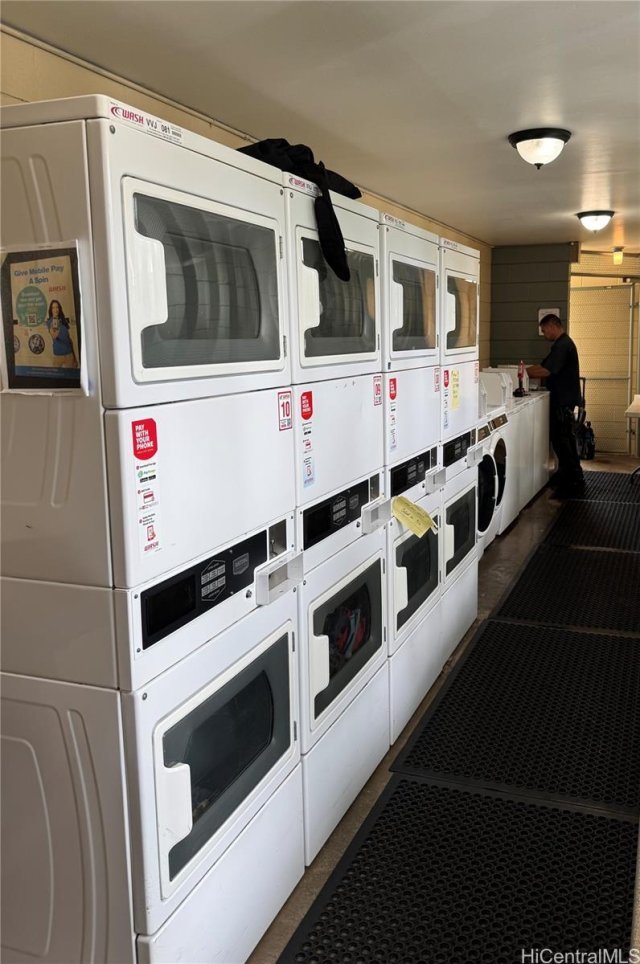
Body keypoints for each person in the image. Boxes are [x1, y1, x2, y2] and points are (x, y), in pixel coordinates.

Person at [527, 313, 584, 497]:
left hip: (563, 402)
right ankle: (568, 476)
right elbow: (544, 367)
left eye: (545, 331)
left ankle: (574, 480)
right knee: (563, 441)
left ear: (553, 326)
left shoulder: (562, 345)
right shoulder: (562, 344)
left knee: (564, 442)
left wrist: (521, 373)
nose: (544, 335)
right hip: (563, 401)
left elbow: (546, 370)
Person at [46, 299, 78, 368]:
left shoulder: (63, 321)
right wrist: (55, 320)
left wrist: (74, 357)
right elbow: (54, 336)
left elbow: (69, 340)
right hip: (58, 356)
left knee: (70, 374)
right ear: (51, 310)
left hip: (69, 355)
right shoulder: (50, 322)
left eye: (57, 307)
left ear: (59, 309)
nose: (55, 309)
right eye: (53, 308)